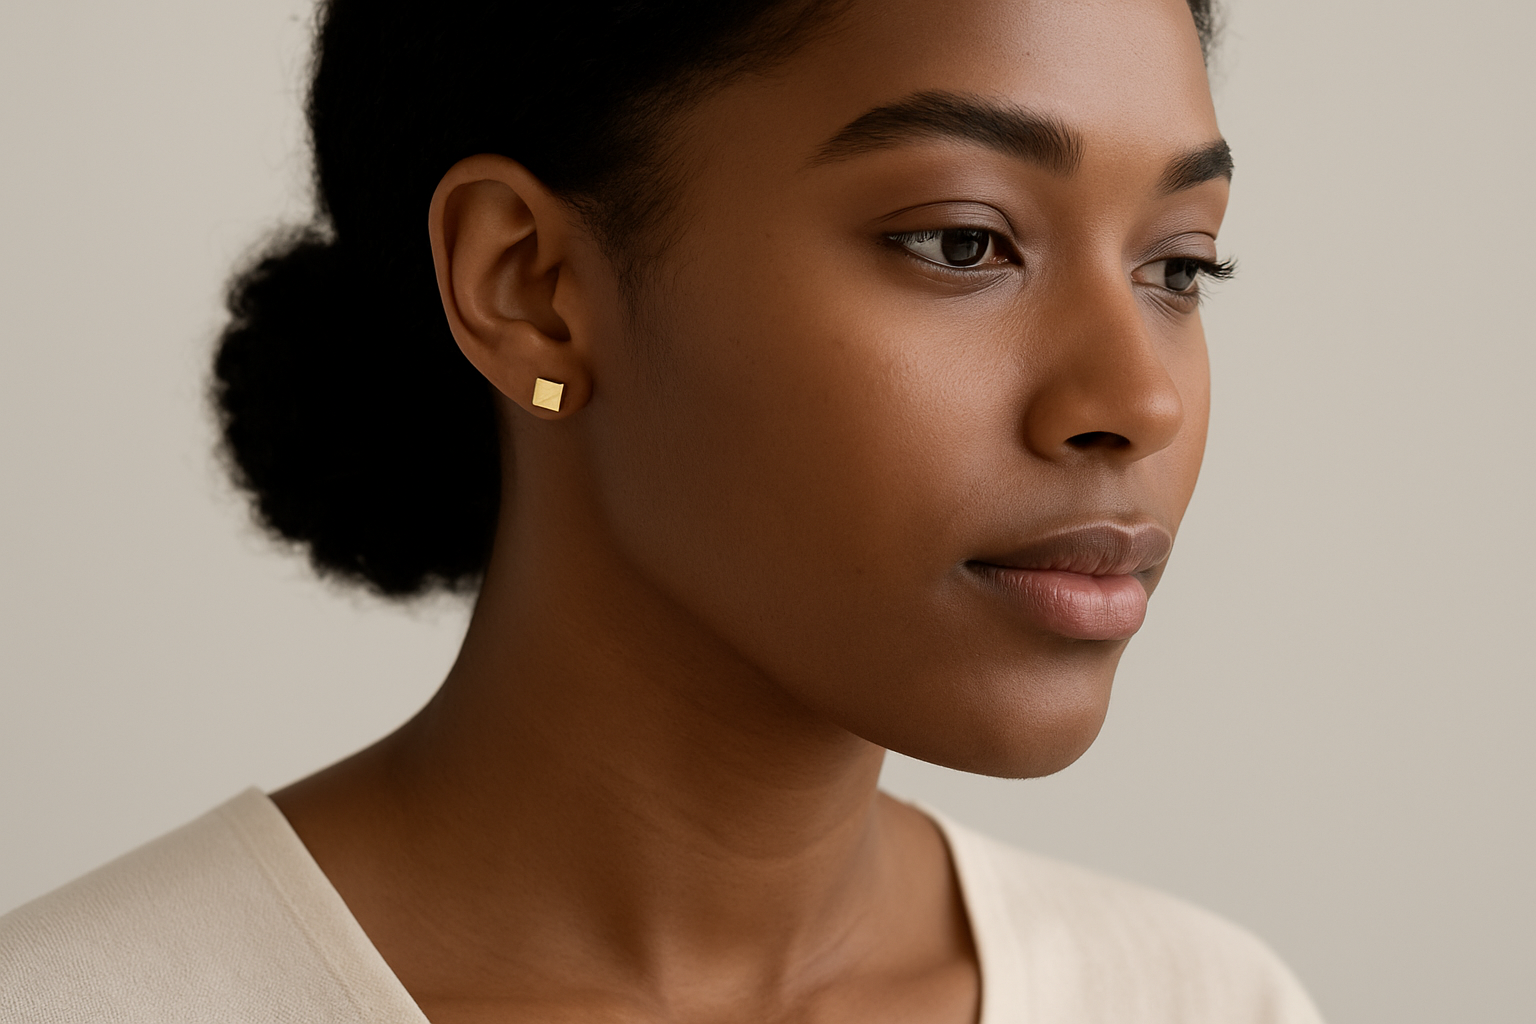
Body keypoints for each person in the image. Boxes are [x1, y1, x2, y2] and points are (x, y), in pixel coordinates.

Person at [0, 0, 1327, 1020]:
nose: (1134, 399)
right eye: (964, 240)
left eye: (1178, 265)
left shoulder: (1206, 1001)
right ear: (533, 286)